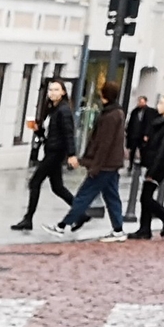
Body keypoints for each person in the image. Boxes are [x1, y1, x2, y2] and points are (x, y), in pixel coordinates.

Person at [54, 86, 128, 238]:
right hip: (111, 164)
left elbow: (104, 144)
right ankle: (118, 229)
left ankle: (63, 225)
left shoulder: (110, 116)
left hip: (104, 165)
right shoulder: (116, 113)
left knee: (84, 194)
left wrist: (95, 166)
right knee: (112, 196)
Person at [12, 81, 77, 229]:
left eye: (56, 90)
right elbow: (49, 133)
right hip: (51, 150)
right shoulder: (53, 110)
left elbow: (69, 133)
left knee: (34, 182)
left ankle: (28, 219)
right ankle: (81, 212)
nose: (52, 92)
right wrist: (37, 129)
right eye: (50, 90)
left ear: (63, 92)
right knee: (57, 187)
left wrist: (72, 154)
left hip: (55, 152)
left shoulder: (64, 110)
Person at [128, 94, 164, 240]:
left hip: (160, 166)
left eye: (162, 103)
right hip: (154, 163)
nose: (159, 105)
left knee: (146, 197)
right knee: (146, 196)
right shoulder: (160, 123)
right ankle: (145, 229)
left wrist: (152, 171)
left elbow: (163, 151)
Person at [123, 95, 160, 230]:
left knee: (146, 196)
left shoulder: (151, 113)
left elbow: (151, 124)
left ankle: (161, 219)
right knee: (133, 152)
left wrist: (147, 135)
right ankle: (131, 165)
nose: (140, 103)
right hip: (134, 136)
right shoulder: (134, 112)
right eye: (139, 101)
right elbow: (131, 124)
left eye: (142, 101)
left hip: (144, 138)